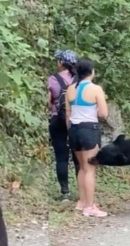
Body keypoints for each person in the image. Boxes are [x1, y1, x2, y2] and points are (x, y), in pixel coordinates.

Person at [65, 58, 108, 217]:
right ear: (91, 72)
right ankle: (90, 207)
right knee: (90, 169)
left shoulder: (70, 89)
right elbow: (104, 113)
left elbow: (68, 113)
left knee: (82, 167)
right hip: (89, 129)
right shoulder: (96, 89)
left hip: (74, 130)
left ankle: (82, 202)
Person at [48, 49, 80, 202]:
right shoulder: (80, 80)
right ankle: (83, 192)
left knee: (61, 158)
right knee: (78, 157)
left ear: (61, 62)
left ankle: (65, 193)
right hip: (77, 121)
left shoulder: (53, 79)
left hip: (58, 121)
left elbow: (49, 103)